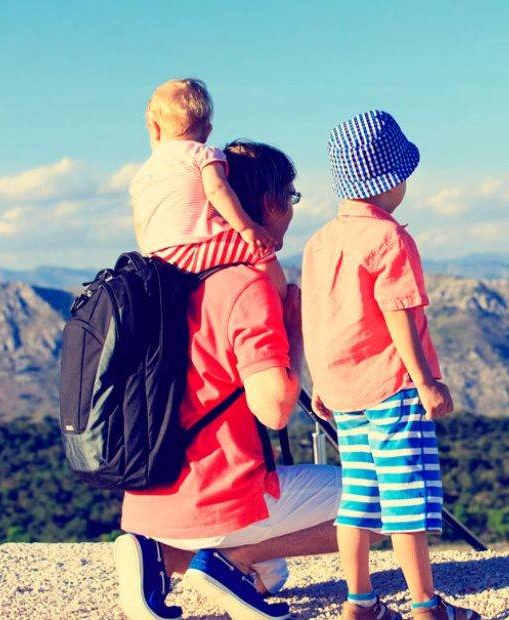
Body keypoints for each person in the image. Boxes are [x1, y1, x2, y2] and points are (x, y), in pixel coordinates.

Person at [116, 140, 347, 620]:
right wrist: (294, 330)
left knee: (272, 578)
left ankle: (160, 558)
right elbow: (274, 409)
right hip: (217, 494)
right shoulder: (246, 285)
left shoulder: (169, 278)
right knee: (386, 495)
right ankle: (230, 559)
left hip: (151, 499)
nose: (291, 210)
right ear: (269, 203)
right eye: (292, 197)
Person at [302, 110, 480, 620]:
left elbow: (318, 318)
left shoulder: (317, 244)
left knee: (356, 496)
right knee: (406, 500)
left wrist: (321, 382)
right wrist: (426, 381)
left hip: (342, 391)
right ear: (389, 180)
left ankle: (360, 603)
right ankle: (425, 606)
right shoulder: (389, 240)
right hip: (393, 387)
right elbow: (398, 313)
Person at [129, 78, 288, 298]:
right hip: (190, 249)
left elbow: (139, 219)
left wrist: (149, 251)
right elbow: (217, 191)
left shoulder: (143, 173)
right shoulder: (203, 154)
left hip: (155, 258)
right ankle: (280, 300)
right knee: (260, 251)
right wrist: (246, 228)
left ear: (154, 129)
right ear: (207, 131)